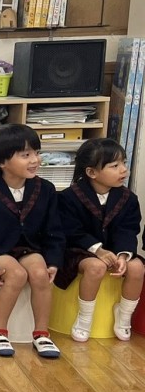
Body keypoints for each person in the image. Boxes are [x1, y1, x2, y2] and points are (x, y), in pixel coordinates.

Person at [0, 124, 64, 358]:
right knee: (17, 275)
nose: (35, 160)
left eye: (36, 153)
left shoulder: (46, 189)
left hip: (30, 248)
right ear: (2, 161)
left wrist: (53, 261)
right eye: (25, 155)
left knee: (40, 274)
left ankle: (41, 333)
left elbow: (54, 230)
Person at [55, 138, 143, 341]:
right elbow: (71, 231)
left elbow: (128, 230)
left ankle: (124, 315)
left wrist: (123, 254)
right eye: (115, 166)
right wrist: (98, 250)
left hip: (115, 249)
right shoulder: (69, 197)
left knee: (137, 268)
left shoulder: (128, 199)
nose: (124, 170)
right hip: (78, 249)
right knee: (96, 267)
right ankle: (84, 318)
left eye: (124, 163)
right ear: (92, 172)